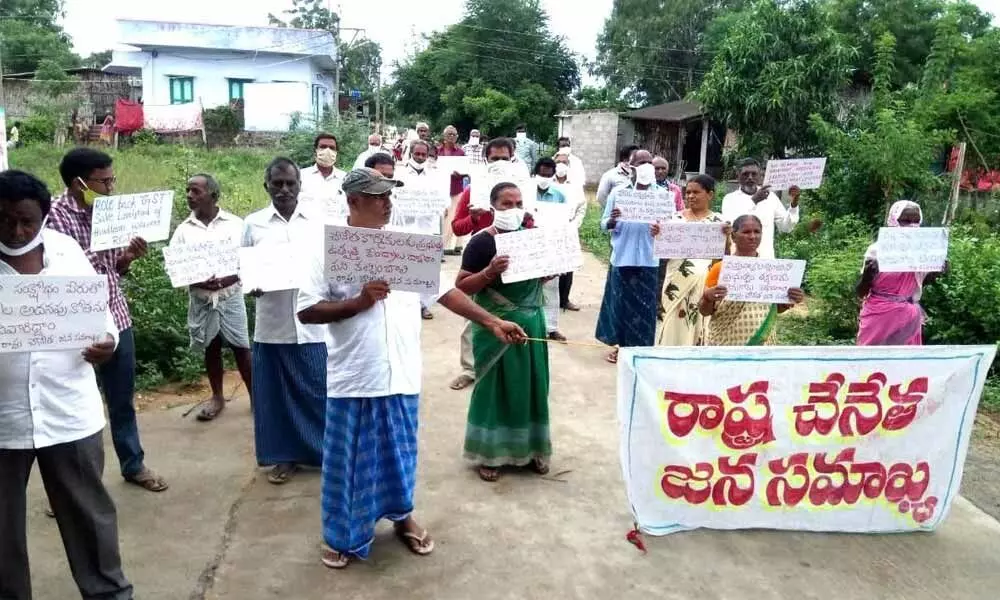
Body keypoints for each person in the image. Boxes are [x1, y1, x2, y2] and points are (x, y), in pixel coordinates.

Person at [296, 168, 527, 569]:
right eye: (378, 196)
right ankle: (341, 533)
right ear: (352, 202)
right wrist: (357, 302)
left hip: (401, 372)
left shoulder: (404, 247)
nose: (388, 203)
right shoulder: (327, 248)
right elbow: (307, 309)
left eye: (389, 196)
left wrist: (490, 321)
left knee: (400, 454)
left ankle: (402, 518)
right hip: (355, 375)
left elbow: (445, 291)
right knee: (346, 462)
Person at [0, 170, 134, 600]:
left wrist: (108, 341)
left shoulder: (66, 250)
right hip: (5, 420)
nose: (16, 231)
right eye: (3, 220)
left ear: (43, 215)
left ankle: (109, 594)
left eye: (26, 220)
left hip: (68, 412)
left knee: (89, 516)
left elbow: (99, 314)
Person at [48, 147, 168, 492]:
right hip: (73, 324)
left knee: (121, 399)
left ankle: (133, 464)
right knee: (72, 405)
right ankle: (75, 486)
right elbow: (63, 270)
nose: (111, 187)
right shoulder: (54, 216)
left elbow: (114, 270)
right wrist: (104, 247)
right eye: (105, 181)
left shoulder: (110, 212)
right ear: (79, 182)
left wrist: (127, 256)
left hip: (115, 315)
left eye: (113, 179)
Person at [457, 182, 552, 482]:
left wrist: (549, 272)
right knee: (495, 387)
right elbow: (461, 286)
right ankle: (490, 453)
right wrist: (489, 272)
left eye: (518, 203)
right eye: (506, 204)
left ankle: (533, 447)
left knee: (533, 383)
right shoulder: (481, 243)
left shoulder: (532, 238)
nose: (513, 209)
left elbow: (537, 277)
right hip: (494, 324)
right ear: (493, 206)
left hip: (531, 322)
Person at [242, 157, 328, 485]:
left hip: (314, 323)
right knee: (275, 396)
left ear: (300, 185)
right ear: (266, 186)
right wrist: (252, 283)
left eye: (290, 183)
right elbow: (244, 268)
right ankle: (283, 457)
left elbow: (331, 266)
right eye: (277, 183)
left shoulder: (318, 222)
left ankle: (324, 452)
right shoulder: (253, 224)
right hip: (273, 320)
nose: (284, 189)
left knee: (319, 391)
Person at [448, 137, 535, 391]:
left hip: (515, 258)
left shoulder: (522, 192)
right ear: (486, 160)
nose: (499, 162)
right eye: (494, 158)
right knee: (472, 314)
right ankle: (469, 368)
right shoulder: (473, 191)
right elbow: (457, 226)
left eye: (504, 158)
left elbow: (532, 228)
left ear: (513, 159)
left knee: (515, 308)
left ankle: (509, 367)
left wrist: (527, 218)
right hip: (478, 254)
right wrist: (474, 220)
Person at [168, 174, 252, 421]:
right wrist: (197, 281)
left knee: (241, 347)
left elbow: (249, 259)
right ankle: (217, 397)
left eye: (195, 191)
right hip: (202, 299)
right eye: (188, 191)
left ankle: (256, 398)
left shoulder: (236, 225)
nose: (189, 196)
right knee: (211, 347)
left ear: (213, 196)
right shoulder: (184, 230)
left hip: (231, 295)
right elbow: (174, 266)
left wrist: (229, 279)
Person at [595, 149, 662, 364]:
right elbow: (603, 223)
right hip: (622, 257)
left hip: (649, 260)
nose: (645, 166)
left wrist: (661, 230)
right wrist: (613, 220)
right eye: (640, 162)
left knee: (645, 307)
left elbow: (671, 228)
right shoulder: (619, 193)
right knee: (620, 305)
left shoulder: (662, 195)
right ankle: (621, 348)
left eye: (648, 162)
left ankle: (642, 349)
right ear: (630, 166)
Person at [701, 214, 804, 346]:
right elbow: (704, 311)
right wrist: (707, 297)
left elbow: (774, 309)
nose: (752, 236)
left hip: (762, 345)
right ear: (733, 236)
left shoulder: (771, 270)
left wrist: (789, 300)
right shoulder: (720, 268)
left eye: (757, 232)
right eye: (746, 232)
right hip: (724, 344)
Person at [856, 200, 945, 345]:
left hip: (907, 317)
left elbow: (921, 282)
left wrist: (937, 269)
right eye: (905, 221)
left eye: (916, 221)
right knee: (871, 361)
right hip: (878, 317)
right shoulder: (876, 251)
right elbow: (861, 291)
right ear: (893, 220)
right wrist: (868, 274)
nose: (911, 226)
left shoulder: (924, 251)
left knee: (905, 363)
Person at [657, 175, 729, 346]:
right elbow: (663, 255)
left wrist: (726, 238)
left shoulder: (718, 223)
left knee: (697, 324)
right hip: (674, 282)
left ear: (710, 194)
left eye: (696, 192)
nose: (690, 196)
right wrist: (658, 235)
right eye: (687, 192)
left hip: (702, 284)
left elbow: (723, 259)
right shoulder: (674, 220)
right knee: (672, 323)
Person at [720, 158, 800, 259]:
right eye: (746, 174)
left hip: (765, 259)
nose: (750, 177)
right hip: (739, 260)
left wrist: (794, 203)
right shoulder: (730, 199)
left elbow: (786, 227)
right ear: (738, 176)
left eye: (754, 174)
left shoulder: (771, 197)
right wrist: (754, 201)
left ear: (760, 176)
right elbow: (732, 226)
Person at [396, 140, 441, 320]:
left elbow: (440, 199)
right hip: (405, 226)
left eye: (424, 154)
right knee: (404, 267)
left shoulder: (435, 176)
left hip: (426, 227)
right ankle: (404, 304)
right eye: (417, 154)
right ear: (411, 153)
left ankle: (424, 305)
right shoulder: (400, 174)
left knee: (426, 268)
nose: (421, 158)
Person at [532, 157, 569, 342]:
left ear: (553, 175)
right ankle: (530, 327)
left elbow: (563, 223)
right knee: (528, 286)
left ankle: (552, 327)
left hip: (550, 244)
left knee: (551, 288)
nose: (544, 177)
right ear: (534, 174)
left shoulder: (559, 195)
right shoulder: (525, 191)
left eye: (548, 175)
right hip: (529, 244)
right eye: (541, 174)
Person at [553, 149, 585, 312]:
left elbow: (582, 207)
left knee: (567, 266)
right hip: (549, 230)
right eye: (558, 162)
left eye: (564, 162)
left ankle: (564, 299)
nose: (561, 165)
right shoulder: (545, 181)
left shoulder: (575, 185)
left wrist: (575, 225)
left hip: (569, 229)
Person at [300, 133, 346, 208]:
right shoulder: (301, 176)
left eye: (332, 148)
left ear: (336, 152)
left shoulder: (345, 179)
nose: (327, 151)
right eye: (323, 147)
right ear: (315, 151)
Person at [597, 145, 640, 209]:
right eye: (636, 157)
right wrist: (611, 211)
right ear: (625, 159)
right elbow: (601, 197)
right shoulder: (610, 175)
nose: (639, 160)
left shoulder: (640, 175)